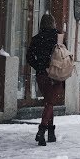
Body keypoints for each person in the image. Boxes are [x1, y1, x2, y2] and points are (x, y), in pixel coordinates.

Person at [26, 14, 63, 146]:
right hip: (56, 75)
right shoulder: (58, 37)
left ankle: (50, 134)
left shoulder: (36, 38)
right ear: (53, 23)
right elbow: (65, 56)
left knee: (49, 102)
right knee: (50, 102)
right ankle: (42, 130)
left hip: (42, 75)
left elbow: (29, 57)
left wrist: (40, 67)